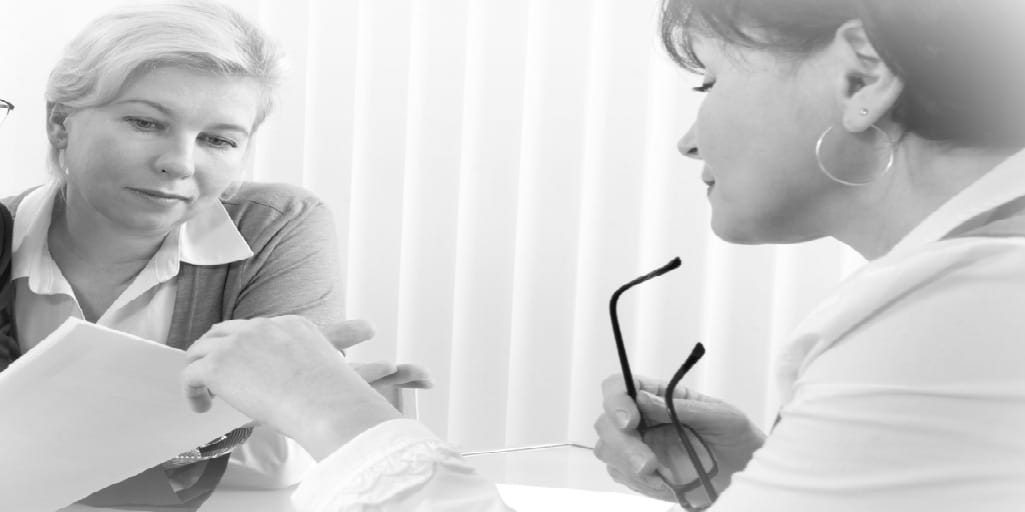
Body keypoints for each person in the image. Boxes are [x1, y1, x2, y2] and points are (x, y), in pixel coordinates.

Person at [185, 0, 1025, 511]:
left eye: (708, 82)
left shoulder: (966, 304)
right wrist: (765, 481)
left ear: (862, 77)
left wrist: (337, 422)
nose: (687, 140)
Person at [0, 1, 426, 509]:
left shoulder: (274, 223)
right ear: (59, 123)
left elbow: (289, 436)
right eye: (145, 122)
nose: (179, 163)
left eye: (218, 139)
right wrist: (243, 406)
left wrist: (324, 404)